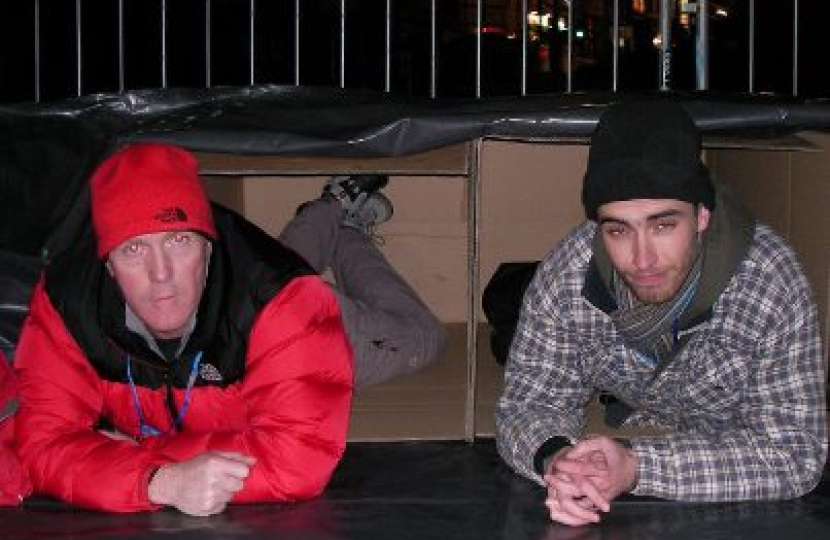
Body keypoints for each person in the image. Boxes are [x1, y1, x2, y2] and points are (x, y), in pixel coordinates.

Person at [12, 142, 442, 516]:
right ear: (107, 264)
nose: (160, 275)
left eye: (178, 241)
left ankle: (344, 226)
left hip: (292, 327)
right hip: (251, 293)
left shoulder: (284, 303)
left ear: (208, 244)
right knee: (268, 269)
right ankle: (323, 213)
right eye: (134, 249)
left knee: (423, 337)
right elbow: (40, 446)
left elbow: (296, 464)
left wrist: (134, 457)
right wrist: (161, 482)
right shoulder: (67, 301)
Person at [495, 100, 827, 527]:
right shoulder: (567, 275)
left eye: (663, 225)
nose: (642, 258)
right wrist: (561, 460)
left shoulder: (769, 283)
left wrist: (638, 467)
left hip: (717, 458)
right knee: (506, 322)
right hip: (627, 403)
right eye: (618, 230)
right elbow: (528, 404)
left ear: (702, 215)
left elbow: (795, 452)